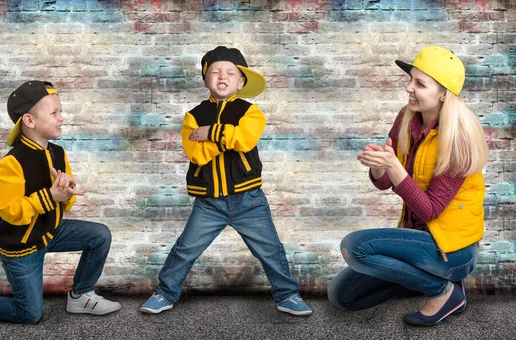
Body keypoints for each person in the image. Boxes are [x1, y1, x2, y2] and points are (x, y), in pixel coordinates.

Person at [0, 81, 121, 323]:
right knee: (29, 314)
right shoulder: (10, 164)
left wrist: (66, 194)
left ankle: (81, 295)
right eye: (54, 112)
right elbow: (11, 212)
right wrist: (50, 196)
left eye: (61, 111)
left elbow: (64, 204)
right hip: (21, 246)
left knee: (100, 235)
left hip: (49, 232)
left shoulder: (58, 153)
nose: (62, 117)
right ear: (29, 120)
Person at [139, 46, 312, 316]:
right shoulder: (193, 116)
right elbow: (197, 155)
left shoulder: (251, 112)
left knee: (270, 250)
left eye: (231, 72)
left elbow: (246, 140)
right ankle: (164, 293)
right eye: (215, 71)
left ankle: (287, 295)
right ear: (205, 79)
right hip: (208, 202)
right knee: (185, 249)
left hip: (249, 199)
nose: (223, 76)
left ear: (241, 82)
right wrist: (227, 138)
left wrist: (210, 133)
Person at [327, 46, 488, 326]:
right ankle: (429, 280)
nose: (408, 88)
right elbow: (387, 181)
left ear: (443, 94)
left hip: (452, 250)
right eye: (410, 79)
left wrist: (394, 167)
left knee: (355, 247)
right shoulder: (406, 118)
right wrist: (379, 166)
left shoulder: (459, 139)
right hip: (416, 240)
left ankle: (445, 291)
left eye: (419, 83)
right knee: (342, 296)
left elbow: (430, 211)